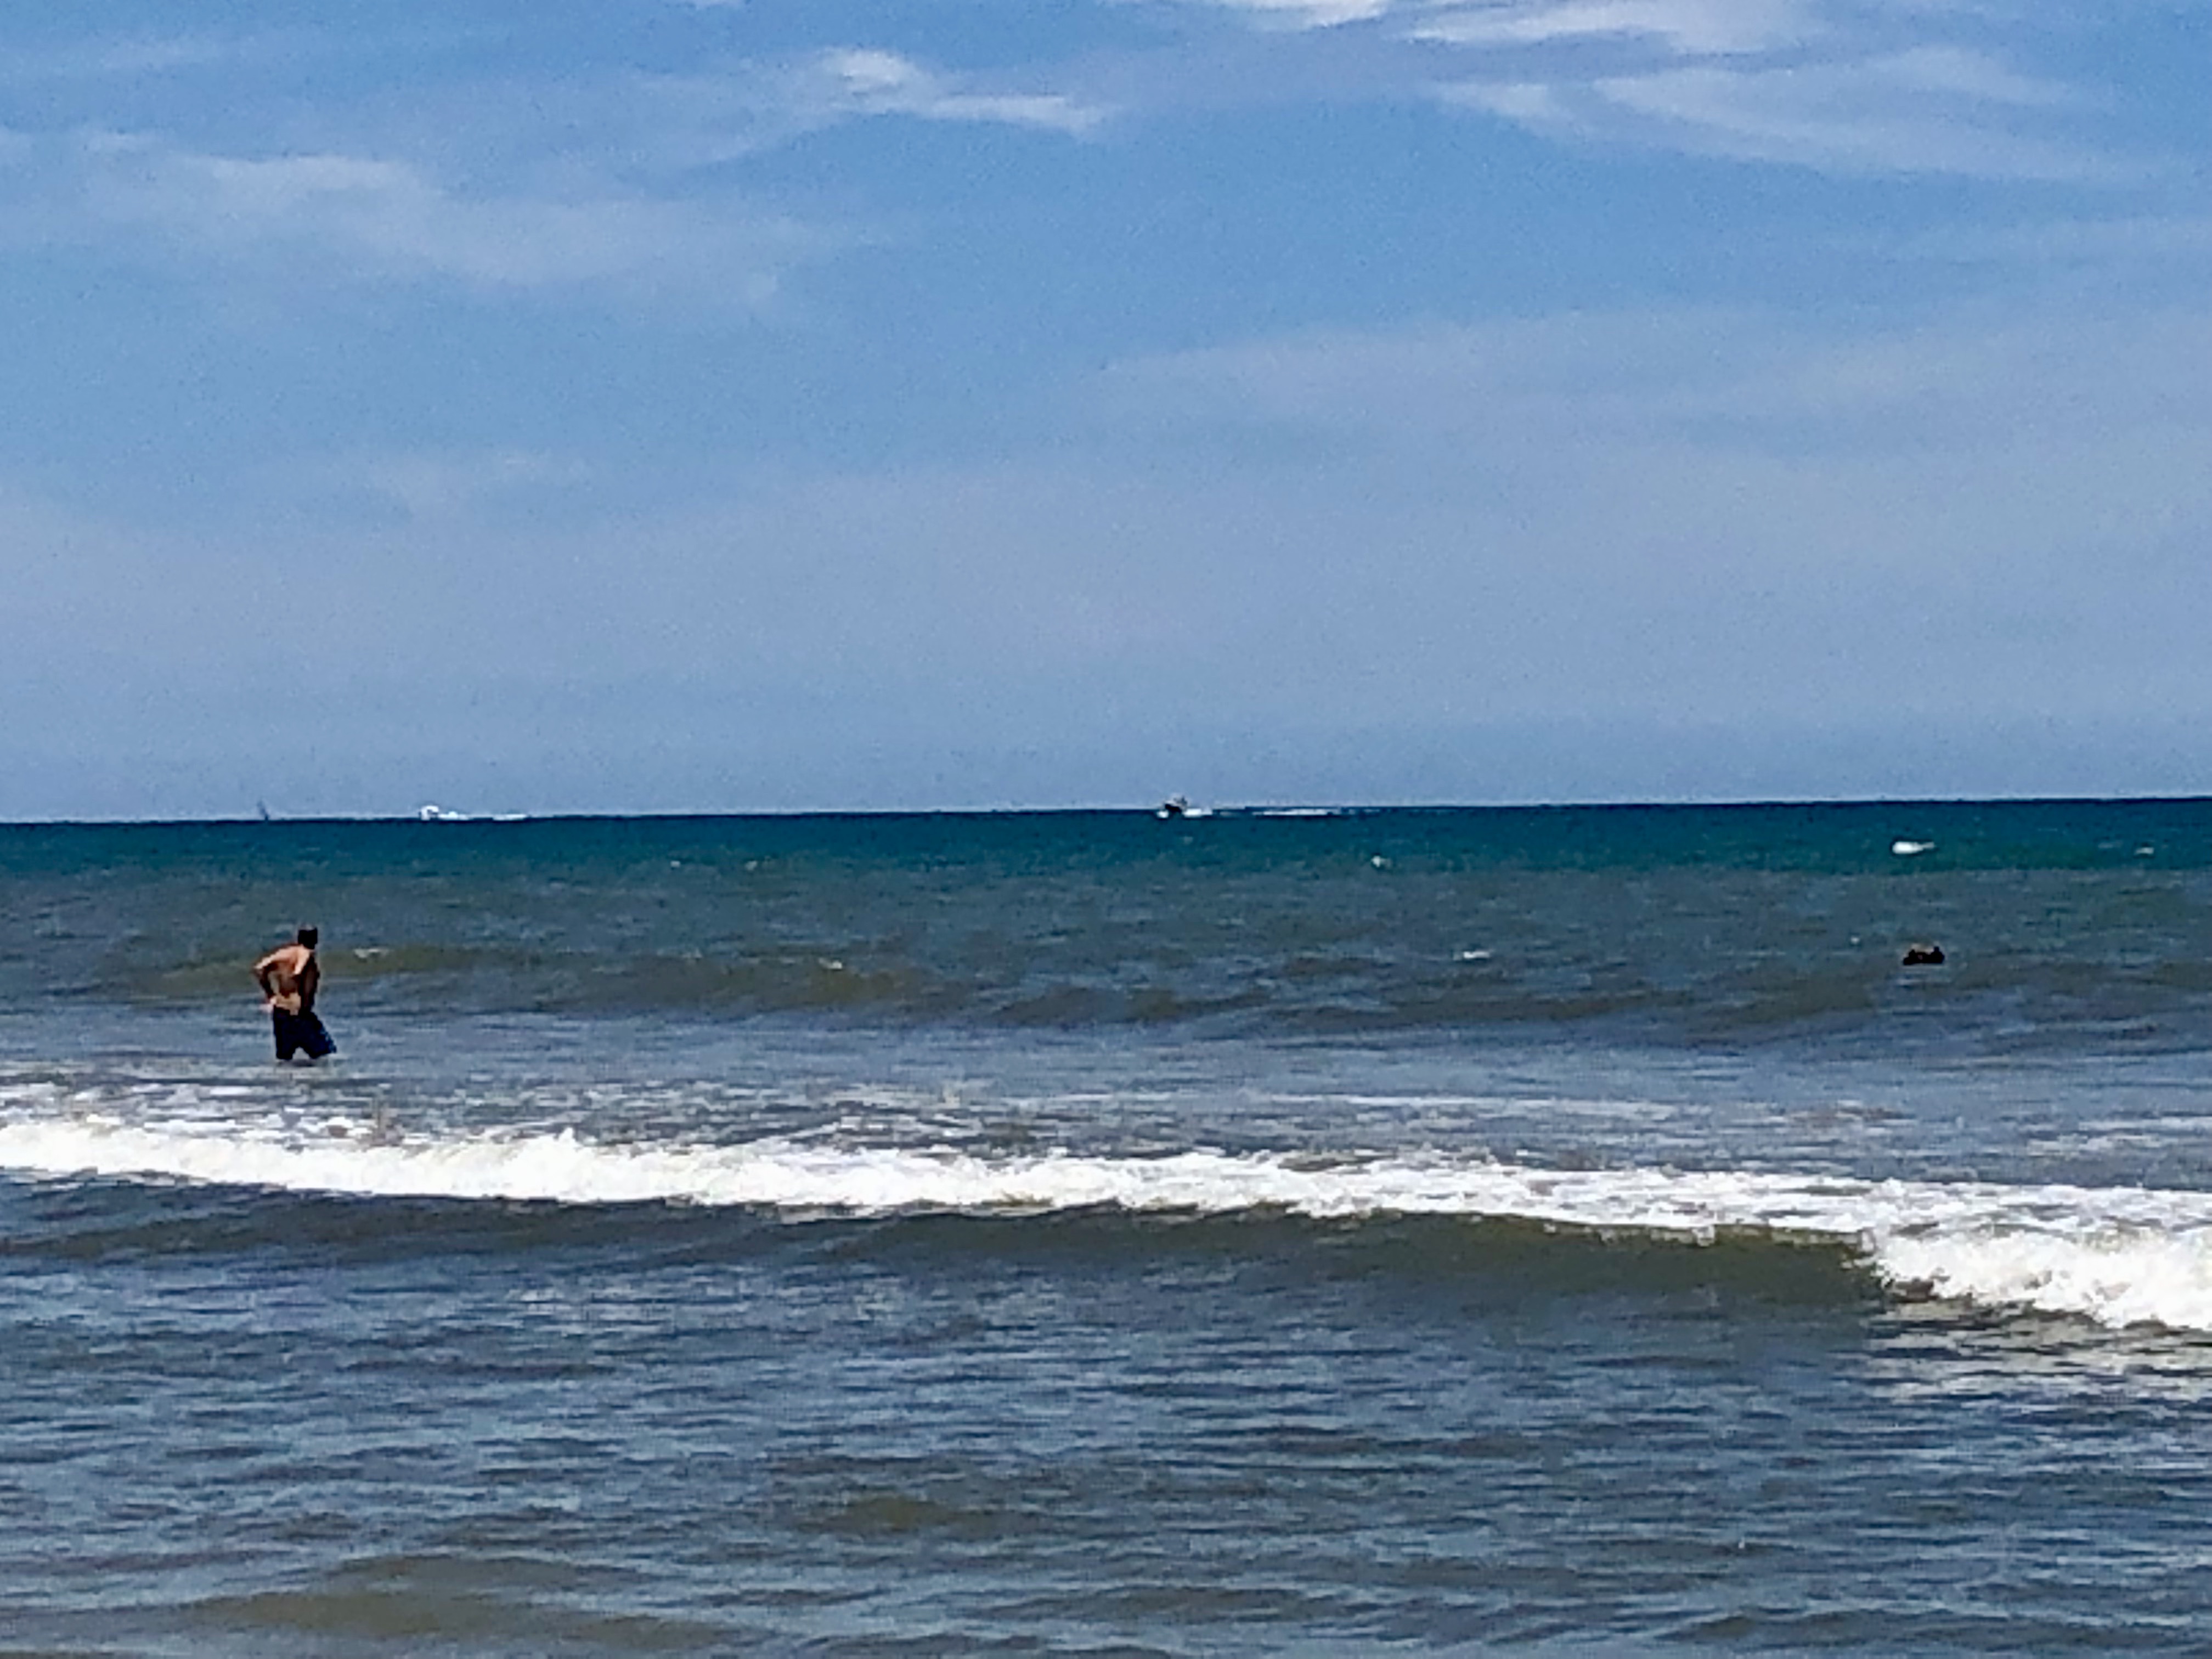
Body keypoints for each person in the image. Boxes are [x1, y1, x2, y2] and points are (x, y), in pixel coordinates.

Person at [254, 926, 336, 1062]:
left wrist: (271, 995)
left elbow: (259, 969)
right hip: (300, 1014)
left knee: (284, 1058)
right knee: (326, 1055)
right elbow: (298, 970)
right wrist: (297, 984)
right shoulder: (307, 954)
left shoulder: (284, 954)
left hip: (280, 1012)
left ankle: (286, 1076)